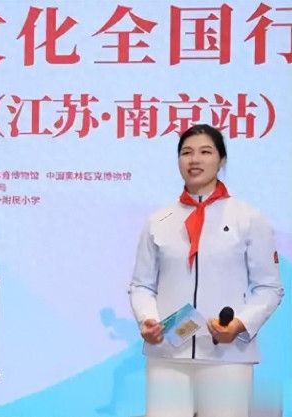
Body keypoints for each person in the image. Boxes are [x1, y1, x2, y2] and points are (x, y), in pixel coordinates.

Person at [128, 124, 284, 417]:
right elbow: (141, 285)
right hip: (168, 356)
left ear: (221, 160)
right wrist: (148, 320)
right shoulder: (159, 220)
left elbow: (269, 288)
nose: (194, 159)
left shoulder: (249, 218)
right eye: (186, 152)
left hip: (227, 356)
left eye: (205, 152)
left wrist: (239, 325)